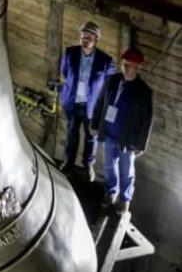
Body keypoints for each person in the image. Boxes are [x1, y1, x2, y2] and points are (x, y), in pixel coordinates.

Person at [91, 47, 153, 213]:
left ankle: (125, 199)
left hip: (128, 139)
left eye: (131, 64)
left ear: (138, 67)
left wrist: (141, 144)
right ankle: (111, 192)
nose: (126, 67)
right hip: (109, 134)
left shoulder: (144, 92)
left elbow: (147, 120)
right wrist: (95, 124)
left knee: (126, 171)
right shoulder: (112, 80)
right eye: (125, 63)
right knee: (109, 167)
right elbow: (99, 102)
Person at [59, 20, 115, 180]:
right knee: (71, 133)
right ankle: (68, 162)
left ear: (96, 39)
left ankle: (88, 165)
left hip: (91, 106)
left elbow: (108, 86)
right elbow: (65, 73)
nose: (85, 38)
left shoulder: (105, 61)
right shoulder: (70, 53)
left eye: (90, 36)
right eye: (83, 35)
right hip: (72, 101)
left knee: (91, 136)